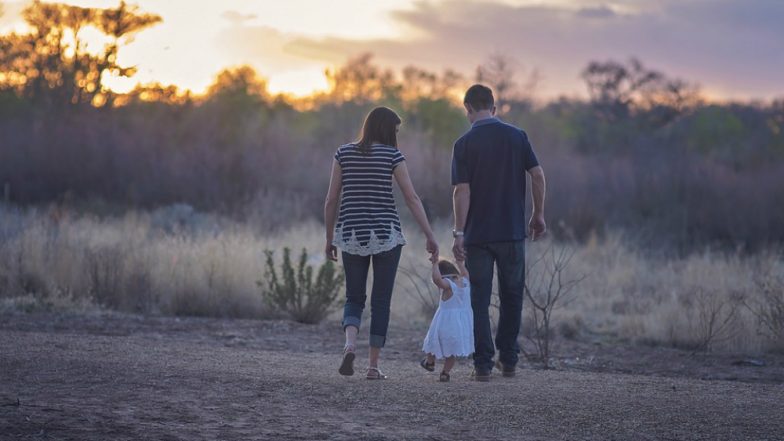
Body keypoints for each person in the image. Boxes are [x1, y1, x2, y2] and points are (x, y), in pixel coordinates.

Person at [324, 106, 439, 380]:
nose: (396, 136)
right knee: (381, 301)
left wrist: (330, 238)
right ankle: (373, 367)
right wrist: (430, 234)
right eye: (396, 131)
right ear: (387, 129)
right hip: (387, 235)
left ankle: (350, 344)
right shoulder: (393, 155)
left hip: (351, 234)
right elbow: (411, 198)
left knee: (354, 297)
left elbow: (331, 200)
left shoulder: (343, 153)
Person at [451, 84, 547, 382]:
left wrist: (458, 232)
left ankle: (482, 365)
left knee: (479, 299)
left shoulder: (463, 144)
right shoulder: (517, 137)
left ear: (468, 109)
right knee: (512, 295)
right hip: (512, 232)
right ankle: (509, 360)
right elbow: (538, 174)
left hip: (478, 236)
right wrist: (538, 214)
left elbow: (461, 191)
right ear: (494, 108)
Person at [420, 256, 473, 382]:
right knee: (452, 351)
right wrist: (460, 263)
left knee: (433, 341)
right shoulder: (465, 282)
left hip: (445, 322)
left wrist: (434, 264)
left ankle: (430, 362)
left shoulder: (448, 285)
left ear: (444, 275)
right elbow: (465, 272)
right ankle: (445, 373)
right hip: (460, 325)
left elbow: (437, 280)